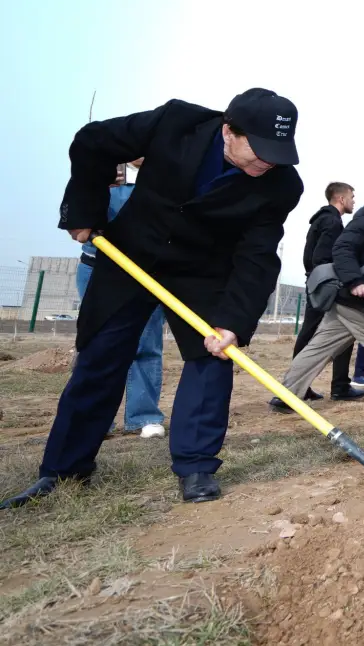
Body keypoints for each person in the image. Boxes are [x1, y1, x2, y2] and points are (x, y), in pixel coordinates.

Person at [2, 89, 303, 509]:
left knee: (213, 357)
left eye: (278, 152)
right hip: (131, 253)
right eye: (260, 150)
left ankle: (196, 466)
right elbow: (93, 141)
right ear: (228, 131)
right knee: (100, 355)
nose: (268, 162)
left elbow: (257, 256)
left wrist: (233, 321)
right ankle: (63, 468)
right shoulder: (177, 122)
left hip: (202, 272)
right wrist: (86, 210)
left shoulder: (282, 185)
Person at [274, 193, 364, 412]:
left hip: (346, 302)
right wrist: (354, 280)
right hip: (358, 300)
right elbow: (342, 248)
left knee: (319, 348)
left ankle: (285, 395)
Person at [77, 159, 166, 438]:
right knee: (96, 345)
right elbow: (78, 218)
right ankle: (92, 419)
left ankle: (143, 416)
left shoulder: (168, 174)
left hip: (147, 275)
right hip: (99, 269)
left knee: (147, 345)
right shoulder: (102, 171)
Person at [273, 181, 364, 409]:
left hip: (318, 283)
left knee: (319, 331)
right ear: (341, 199)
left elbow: (312, 257)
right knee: (322, 332)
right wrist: (334, 280)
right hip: (326, 286)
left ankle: (318, 386)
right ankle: (298, 389)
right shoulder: (332, 222)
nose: (354, 201)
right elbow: (322, 257)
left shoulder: (322, 219)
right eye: (352, 197)